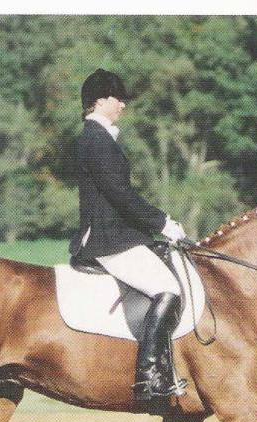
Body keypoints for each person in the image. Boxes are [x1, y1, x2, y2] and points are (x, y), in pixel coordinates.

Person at [69, 68, 188, 401]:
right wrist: (162, 223)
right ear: (101, 100)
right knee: (168, 290)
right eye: (118, 98)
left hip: (116, 234)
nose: (122, 105)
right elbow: (120, 195)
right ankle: (150, 375)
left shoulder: (98, 137)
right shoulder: (97, 139)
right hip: (108, 239)